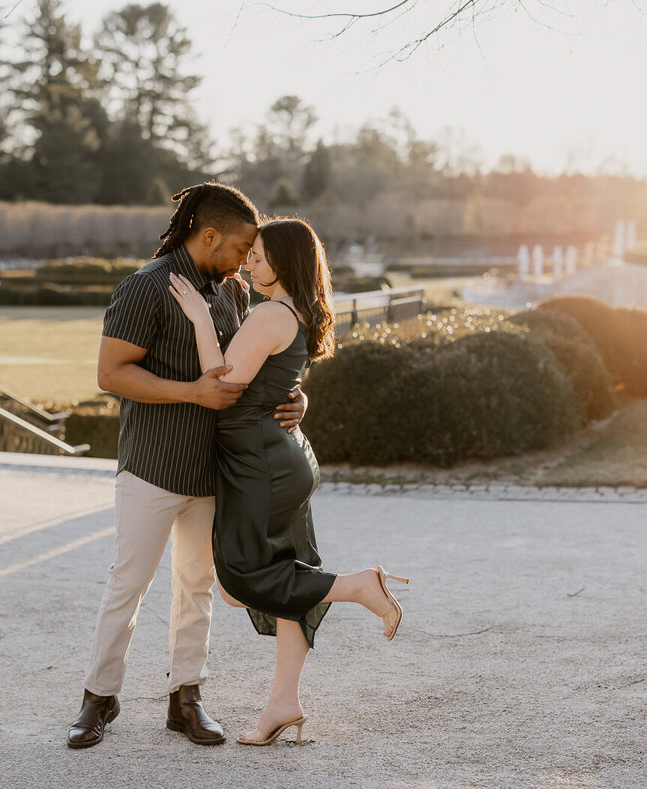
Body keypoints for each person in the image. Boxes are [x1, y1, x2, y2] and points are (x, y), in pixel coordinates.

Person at [67, 182, 307, 750]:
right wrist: (191, 393)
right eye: (243, 247)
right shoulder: (144, 287)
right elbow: (110, 374)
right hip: (152, 464)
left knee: (196, 585)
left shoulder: (235, 295)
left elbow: (258, 370)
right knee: (129, 583)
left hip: (215, 470)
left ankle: (187, 698)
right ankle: (98, 699)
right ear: (210, 236)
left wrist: (298, 399)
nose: (249, 260)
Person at [166, 217, 409, 747]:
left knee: (241, 579)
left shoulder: (271, 314)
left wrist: (201, 320)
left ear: (285, 260)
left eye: (258, 255)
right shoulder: (298, 310)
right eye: (248, 254)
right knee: (285, 579)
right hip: (283, 458)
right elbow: (283, 381)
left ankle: (359, 586)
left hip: (259, 463)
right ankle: (284, 705)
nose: (249, 263)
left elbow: (224, 385)